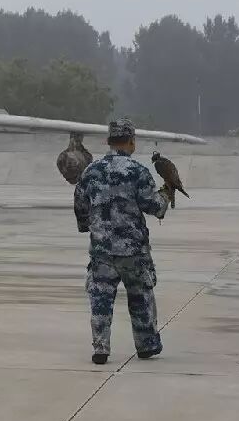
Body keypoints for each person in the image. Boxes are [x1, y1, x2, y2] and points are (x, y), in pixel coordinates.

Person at [73, 118, 171, 365]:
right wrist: (167, 192)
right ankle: (146, 345)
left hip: (101, 252)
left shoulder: (91, 171)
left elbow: (80, 204)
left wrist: (89, 228)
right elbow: (155, 207)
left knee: (100, 300)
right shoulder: (138, 172)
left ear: (108, 141)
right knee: (140, 297)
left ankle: (100, 348)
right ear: (132, 142)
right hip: (133, 251)